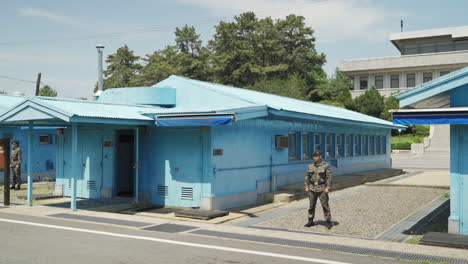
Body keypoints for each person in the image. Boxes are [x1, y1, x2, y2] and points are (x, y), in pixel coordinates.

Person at [304, 150, 332, 229]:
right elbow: (307, 176)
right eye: (314, 156)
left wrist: (328, 187)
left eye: (316, 156)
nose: (315, 158)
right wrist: (306, 186)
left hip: (322, 188)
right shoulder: (310, 166)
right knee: (311, 205)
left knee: (325, 205)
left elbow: (329, 178)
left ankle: (328, 221)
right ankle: (310, 220)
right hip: (312, 188)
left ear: (320, 156)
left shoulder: (326, 166)